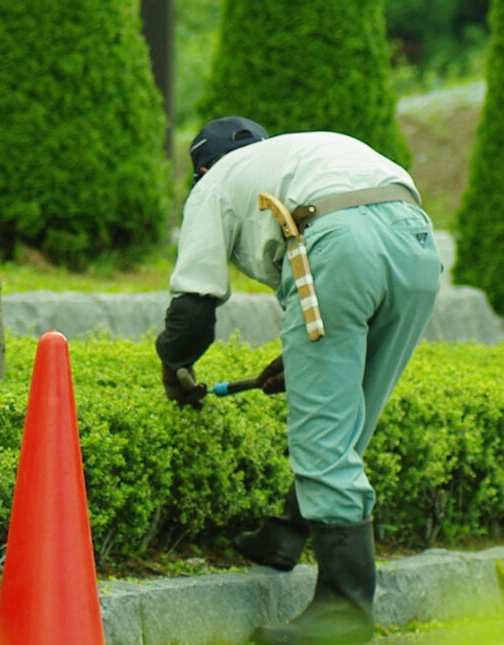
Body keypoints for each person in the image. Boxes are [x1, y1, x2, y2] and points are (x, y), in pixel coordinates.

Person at [156, 117, 442, 645]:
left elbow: (193, 308)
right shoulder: (300, 154)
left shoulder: (214, 183)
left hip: (337, 244)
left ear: (201, 168)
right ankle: (285, 535)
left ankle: (344, 610)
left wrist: (175, 369)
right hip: (417, 241)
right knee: (350, 410)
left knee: (322, 435)